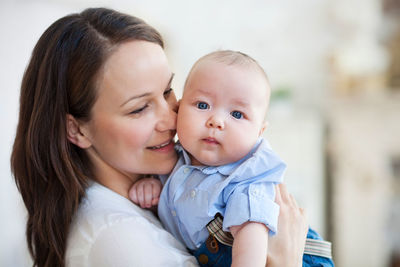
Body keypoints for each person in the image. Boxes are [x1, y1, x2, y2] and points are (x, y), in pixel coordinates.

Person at [11, 7, 309, 267]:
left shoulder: (162, 185)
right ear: (77, 129)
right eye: (139, 108)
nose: (171, 118)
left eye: (168, 91)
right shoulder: (119, 239)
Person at [130, 51, 334, 266]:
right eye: (202, 105)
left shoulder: (245, 181)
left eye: (237, 114)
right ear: (179, 108)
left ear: (259, 132)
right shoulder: (177, 159)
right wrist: (153, 187)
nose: (216, 121)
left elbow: (252, 242)